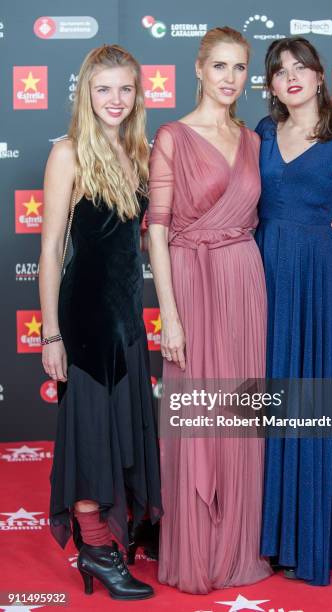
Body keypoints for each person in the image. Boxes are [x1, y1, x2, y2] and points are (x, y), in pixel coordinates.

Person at [147, 27, 332, 594]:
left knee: (241, 415)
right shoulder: (172, 136)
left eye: (240, 69)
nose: (230, 79)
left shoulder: (255, 136)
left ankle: (238, 545)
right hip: (191, 280)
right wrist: (171, 314)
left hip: (244, 279)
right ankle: (197, 550)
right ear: (199, 69)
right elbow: (156, 231)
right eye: (220, 67)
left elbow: (293, 194)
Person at [39, 44, 162, 600]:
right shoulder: (68, 153)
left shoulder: (140, 153)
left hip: (128, 324)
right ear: (87, 93)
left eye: (126, 89)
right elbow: (50, 252)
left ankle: (119, 536)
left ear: (138, 95)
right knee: (91, 440)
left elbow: (152, 239)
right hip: (86, 323)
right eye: (104, 88)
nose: (116, 99)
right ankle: (94, 548)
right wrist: (51, 334)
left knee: (122, 434)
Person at [255, 37, 332, 585]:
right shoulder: (258, 133)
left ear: (321, 75)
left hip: (325, 283)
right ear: (272, 86)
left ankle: (320, 538)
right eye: (281, 72)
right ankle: (272, 537)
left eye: (301, 67)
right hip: (266, 280)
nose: (292, 77)